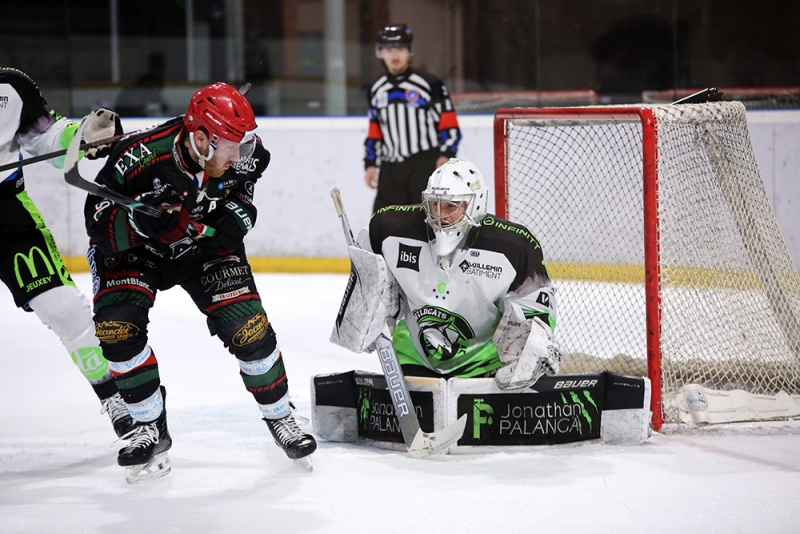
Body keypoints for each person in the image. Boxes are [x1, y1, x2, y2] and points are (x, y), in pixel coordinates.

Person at [83, 82, 316, 482]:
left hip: (203, 249)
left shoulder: (241, 155)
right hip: (136, 252)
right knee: (118, 330)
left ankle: (281, 416)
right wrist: (142, 222)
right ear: (202, 137)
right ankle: (148, 428)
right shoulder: (138, 155)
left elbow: (242, 203)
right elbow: (96, 219)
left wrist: (224, 228)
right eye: (229, 144)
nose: (237, 153)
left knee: (250, 330)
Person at [334, 158, 562, 388]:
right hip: (415, 357)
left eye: (451, 206)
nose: (440, 215)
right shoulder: (390, 229)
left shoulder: (513, 246)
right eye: (435, 204)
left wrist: (531, 345)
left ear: (475, 204)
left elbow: (534, 302)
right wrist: (368, 302)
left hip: (484, 364)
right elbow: (368, 257)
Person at [0, 67, 134, 438]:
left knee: (65, 309)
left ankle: (115, 397)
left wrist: (82, 136)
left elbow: (48, 138)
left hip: (7, 218)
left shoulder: (12, 88)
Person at [363, 24, 462, 213]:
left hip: (424, 164)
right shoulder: (376, 88)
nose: (394, 56)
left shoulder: (430, 84)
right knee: (383, 221)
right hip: (390, 167)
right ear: (380, 53)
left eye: (400, 49)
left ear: (409, 51)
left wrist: (446, 155)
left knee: (426, 221)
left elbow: (448, 123)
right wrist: (370, 163)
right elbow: (375, 129)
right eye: (389, 50)